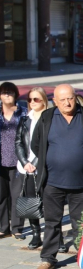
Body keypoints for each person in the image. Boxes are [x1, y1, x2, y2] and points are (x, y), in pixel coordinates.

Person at [31, 84, 83, 269]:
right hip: (52, 181)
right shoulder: (47, 118)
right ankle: (48, 258)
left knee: (81, 223)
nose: (67, 102)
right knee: (52, 222)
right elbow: (35, 145)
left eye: (70, 98)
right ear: (55, 101)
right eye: (62, 99)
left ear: (75, 97)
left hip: (81, 183)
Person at [15, 87, 49, 249]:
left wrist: (36, 163)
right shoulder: (25, 119)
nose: (32, 102)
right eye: (30, 100)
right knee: (29, 202)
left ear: (43, 100)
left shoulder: (49, 119)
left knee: (50, 203)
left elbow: (48, 144)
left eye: (36, 99)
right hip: (27, 168)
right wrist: (24, 162)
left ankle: (55, 237)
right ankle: (36, 234)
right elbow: (18, 143)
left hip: (45, 167)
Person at [0, 82, 27, 240]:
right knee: (1, 196)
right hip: (1, 160)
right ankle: (4, 228)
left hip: (18, 160)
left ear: (16, 95)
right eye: (4, 92)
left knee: (18, 195)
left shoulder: (23, 112)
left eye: (10, 92)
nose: (7, 95)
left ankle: (17, 228)